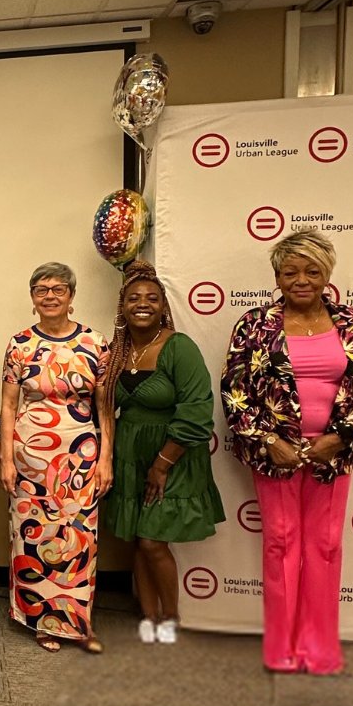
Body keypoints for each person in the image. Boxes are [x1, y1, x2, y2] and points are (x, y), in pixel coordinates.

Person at [222, 229, 353, 675]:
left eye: (312, 271)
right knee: (280, 544)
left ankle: (318, 649)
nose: (301, 280)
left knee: (326, 545)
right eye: (290, 271)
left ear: (327, 275)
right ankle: (282, 647)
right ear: (276, 277)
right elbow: (234, 391)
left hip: (334, 454)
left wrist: (339, 438)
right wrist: (269, 441)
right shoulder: (254, 325)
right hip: (273, 454)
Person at [100, 261, 225, 645]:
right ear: (121, 307)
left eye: (152, 298)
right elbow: (104, 405)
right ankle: (148, 618)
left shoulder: (178, 347)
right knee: (140, 537)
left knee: (154, 541)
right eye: (134, 298)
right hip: (129, 455)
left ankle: (170, 619)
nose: (142, 304)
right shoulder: (117, 352)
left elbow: (197, 410)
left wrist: (162, 464)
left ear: (163, 306)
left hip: (171, 456)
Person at [0, 262, 113, 654]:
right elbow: (9, 404)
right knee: (34, 538)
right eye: (41, 289)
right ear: (32, 298)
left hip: (80, 456)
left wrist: (106, 460)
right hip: (30, 456)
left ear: (71, 296)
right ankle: (43, 622)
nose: (49, 296)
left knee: (79, 539)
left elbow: (105, 407)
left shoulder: (96, 343)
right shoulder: (19, 345)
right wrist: (7, 461)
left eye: (58, 289)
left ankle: (79, 623)